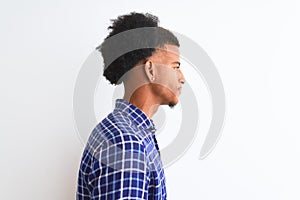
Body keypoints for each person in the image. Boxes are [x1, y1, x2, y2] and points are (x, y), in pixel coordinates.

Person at [76, 12, 185, 200]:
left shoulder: (130, 133)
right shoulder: (127, 143)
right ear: (150, 69)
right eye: (175, 66)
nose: (182, 78)